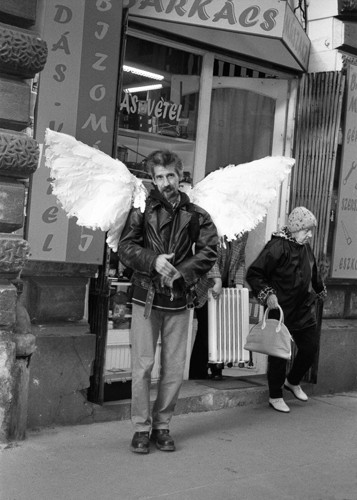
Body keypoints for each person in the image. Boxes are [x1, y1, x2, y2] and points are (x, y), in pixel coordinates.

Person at [118, 149, 218, 454]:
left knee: (174, 368)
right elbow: (125, 247)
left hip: (178, 299)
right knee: (142, 367)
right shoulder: (141, 209)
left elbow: (210, 251)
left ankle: (162, 426)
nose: (165, 182)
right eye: (159, 177)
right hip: (146, 297)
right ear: (152, 179)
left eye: (170, 175)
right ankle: (140, 427)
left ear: (180, 175)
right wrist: (153, 260)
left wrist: (180, 272)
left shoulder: (198, 214)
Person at [246, 207, 327, 413]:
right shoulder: (276, 247)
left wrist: (319, 289)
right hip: (280, 309)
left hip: (303, 309)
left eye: (311, 230)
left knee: (309, 350)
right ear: (295, 228)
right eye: (307, 230)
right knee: (279, 355)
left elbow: (313, 271)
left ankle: (292, 381)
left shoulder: (306, 248)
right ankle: (275, 395)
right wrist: (267, 293)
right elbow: (255, 274)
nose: (310, 234)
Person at [189, 233, 248, 380]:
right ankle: (214, 370)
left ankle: (200, 374)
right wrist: (217, 280)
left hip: (226, 289)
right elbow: (207, 255)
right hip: (207, 287)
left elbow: (240, 259)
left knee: (213, 332)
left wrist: (239, 286)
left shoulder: (242, 231)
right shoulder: (214, 228)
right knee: (208, 331)